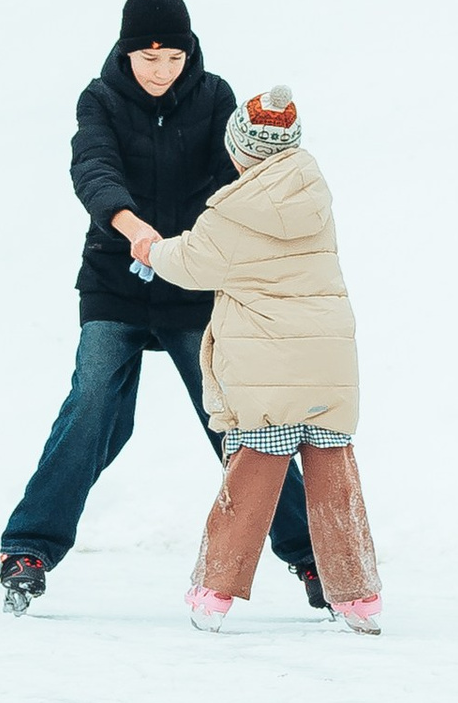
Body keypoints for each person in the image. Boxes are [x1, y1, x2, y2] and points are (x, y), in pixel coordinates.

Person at [0, 0, 322, 615]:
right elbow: (92, 167)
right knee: (93, 406)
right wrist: (133, 228)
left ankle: (311, 555)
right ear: (126, 53)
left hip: (191, 281)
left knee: (234, 420)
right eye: (149, 58)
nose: (161, 70)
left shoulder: (214, 96)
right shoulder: (100, 98)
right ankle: (28, 549)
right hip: (115, 281)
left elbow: (235, 175)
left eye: (173, 57)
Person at [143, 83, 382, 635]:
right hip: (328, 365)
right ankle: (359, 599)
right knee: (336, 482)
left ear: (238, 151)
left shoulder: (233, 214)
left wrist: (151, 250)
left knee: (251, 481)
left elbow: (193, 264)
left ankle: (213, 595)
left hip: (266, 374)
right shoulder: (313, 194)